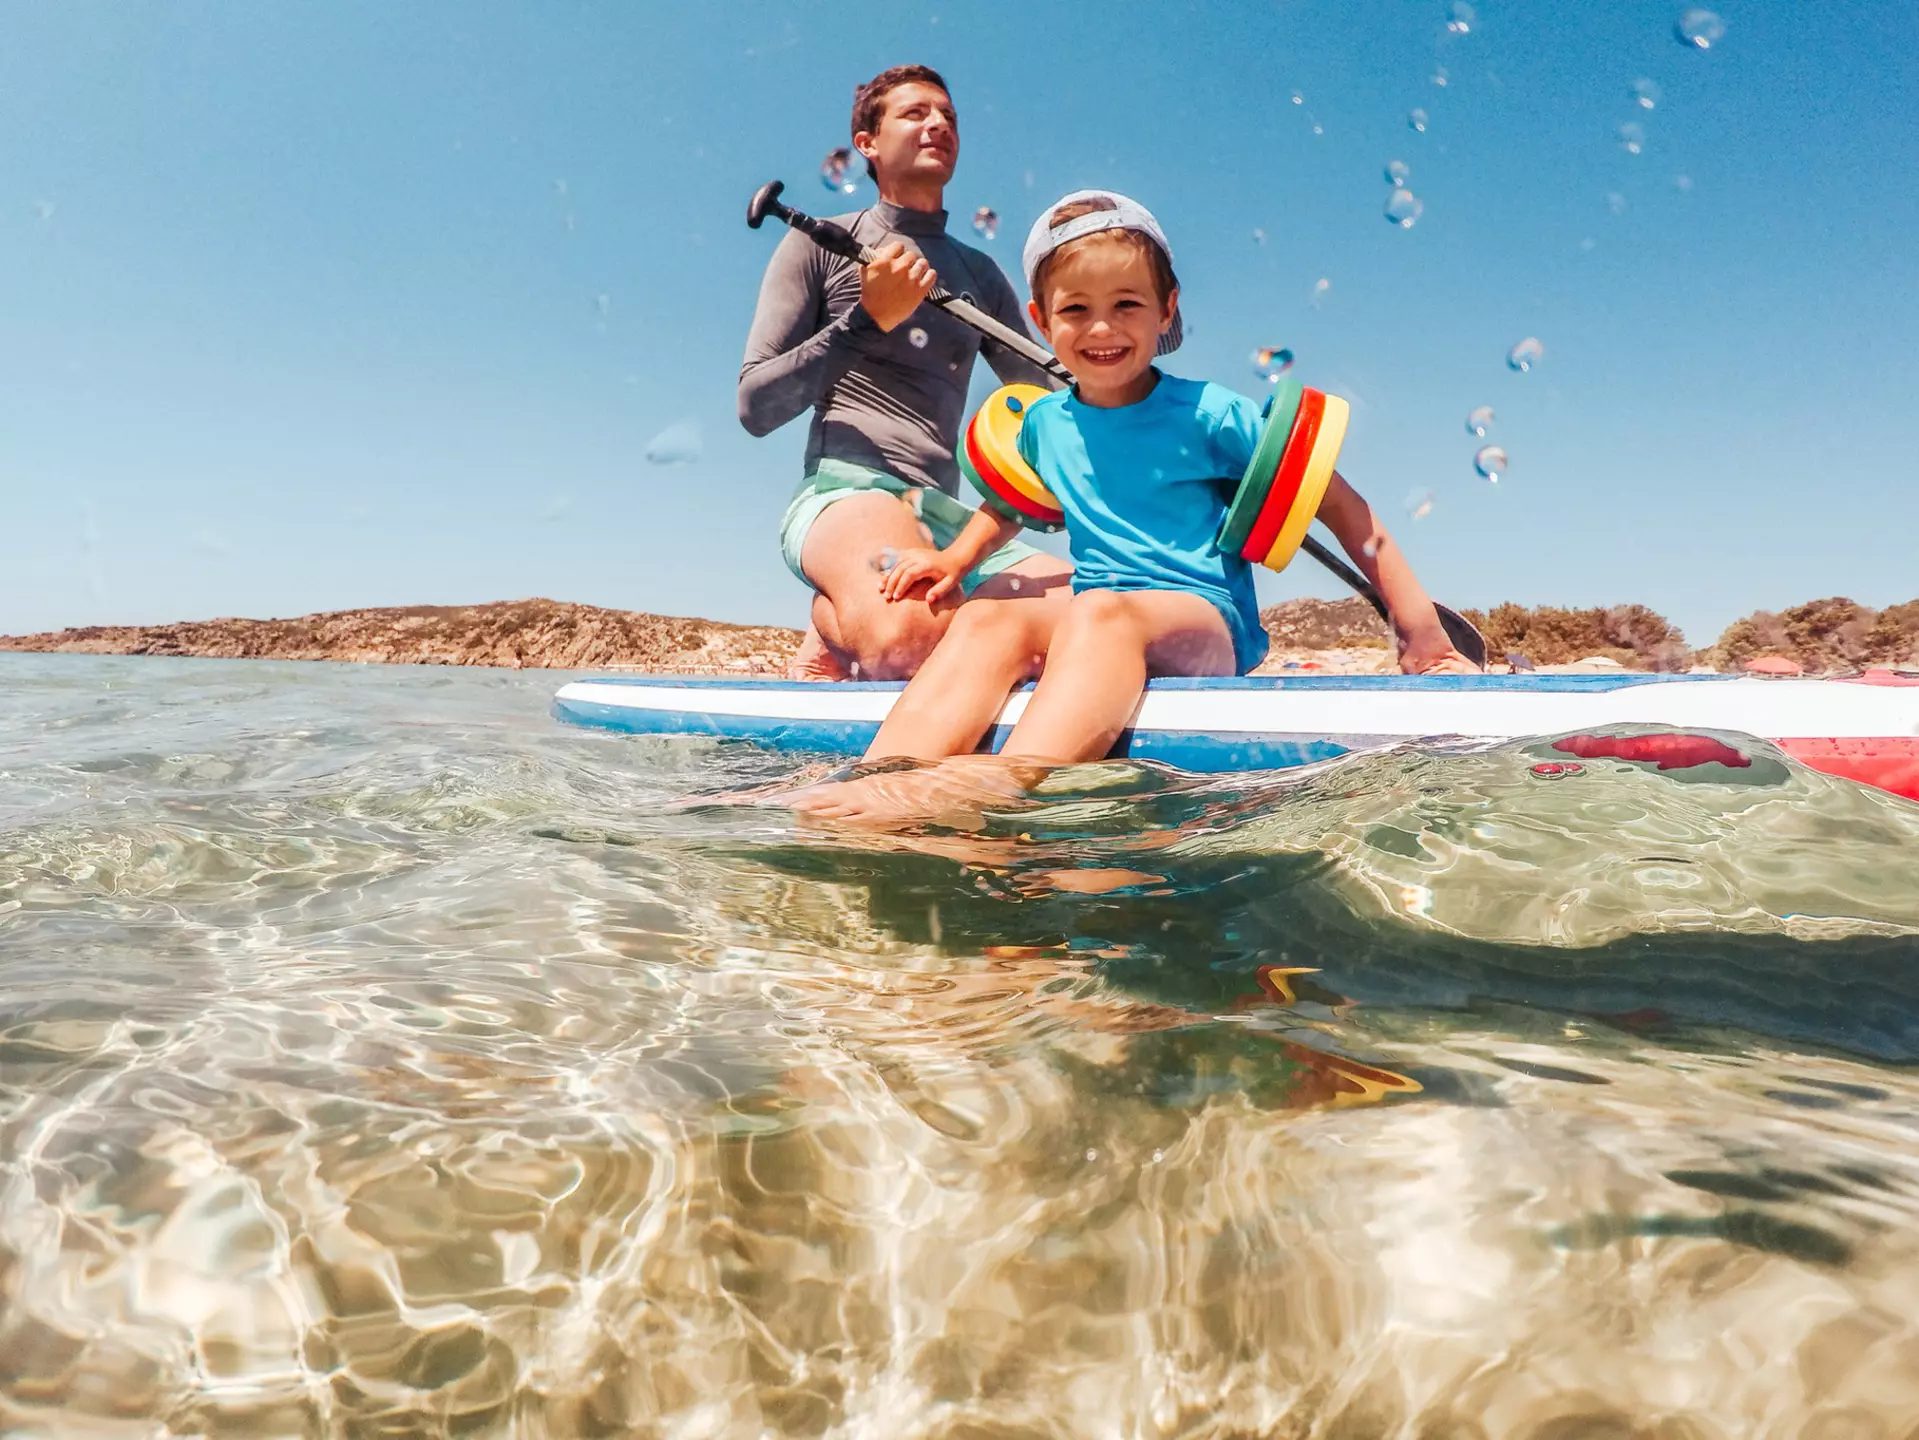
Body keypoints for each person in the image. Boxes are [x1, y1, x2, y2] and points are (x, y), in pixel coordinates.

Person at [795, 191, 1477, 821]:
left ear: (1166, 309)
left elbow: (1340, 506)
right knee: (988, 616)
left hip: (1202, 620)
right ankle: (878, 778)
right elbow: (1009, 503)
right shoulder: (1044, 424)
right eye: (1074, 310)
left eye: (1126, 305)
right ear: (1039, 319)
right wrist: (952, 559)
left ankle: (994, 784)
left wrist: (1420, 634)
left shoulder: (1210, 414)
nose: (1101, 328)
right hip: (1102, 611)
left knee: (1100, 610)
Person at [738, 65, 1073, 681]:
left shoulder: (982, 276)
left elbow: (1050, 403)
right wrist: (867, 320)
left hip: (948, 519)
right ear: (866, 143)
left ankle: (890, 618)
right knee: (914, 638)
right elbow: (754, 407)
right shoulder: (820, 243)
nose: (938, 123)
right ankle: (841, 615)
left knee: (1100, 621)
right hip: (846, 495)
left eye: (948, 116)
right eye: (915, 113)